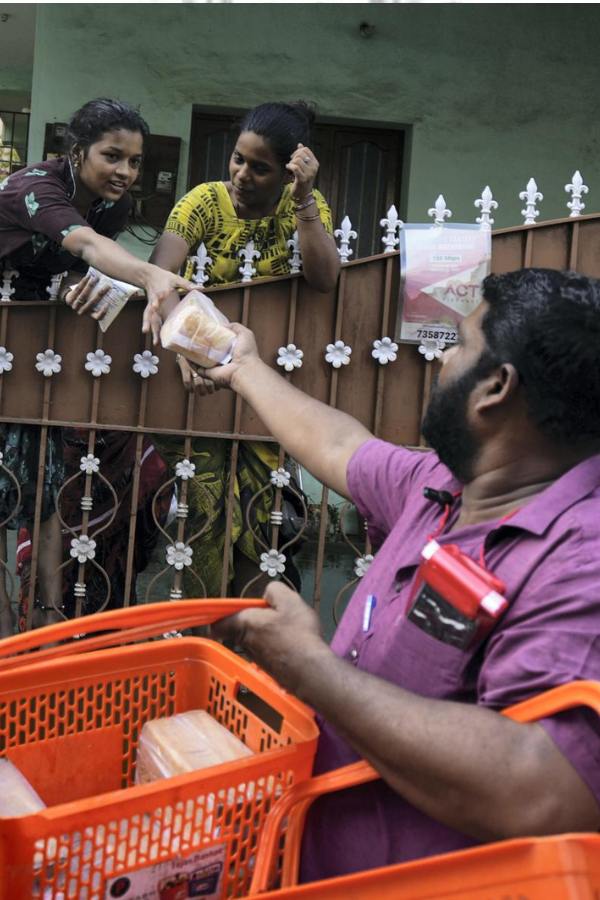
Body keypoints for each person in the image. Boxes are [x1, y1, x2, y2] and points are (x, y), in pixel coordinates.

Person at [204, 268, 600, 882]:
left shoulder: (582, 560)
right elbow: (338, 444)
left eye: (460, 344)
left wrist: (310, 669)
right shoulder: (443, 485)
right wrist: (242, 365)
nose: (442, 360)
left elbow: (546, 791)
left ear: (495, 387)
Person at [0, 97, 195, 630]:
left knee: (41, 495)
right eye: (113, 156)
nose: (126, 172)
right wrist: (153, 276)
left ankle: (45, 636)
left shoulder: (112, 207)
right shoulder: (34, 188)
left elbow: (84, 263)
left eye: (134, 162)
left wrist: (90, 283)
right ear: (77, 149)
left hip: (35, 359)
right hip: (8, 346)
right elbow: (82, 243)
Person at [145, 101, 339, 598]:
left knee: (263, 526)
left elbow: (324, 279)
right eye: (237, 159)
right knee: (202, 521)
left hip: (267, 384)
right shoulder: (203, 203)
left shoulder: (307, 207)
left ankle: (253, 644)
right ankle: (204, 635)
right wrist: (186, 347)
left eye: (260, 167)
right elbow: (162, 277)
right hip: (199, 384)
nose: (242, 174)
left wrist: (304, 201)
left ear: (286, 171)